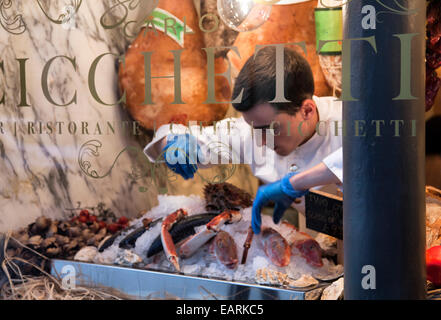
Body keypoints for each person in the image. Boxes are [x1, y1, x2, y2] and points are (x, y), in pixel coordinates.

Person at [143, 46, 343, 234]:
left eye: (271, 128)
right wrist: (172, 142)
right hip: (321, 253)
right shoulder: (252, 131)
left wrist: (294, 183)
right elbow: (177, 136)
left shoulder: (348, 121)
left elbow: (360, 158)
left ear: (307, 110)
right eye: (254, 128)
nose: (262, 141)